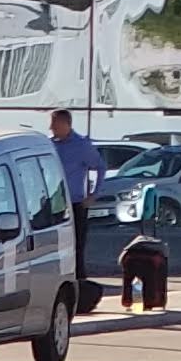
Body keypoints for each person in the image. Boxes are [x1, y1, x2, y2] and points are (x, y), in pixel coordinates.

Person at [48, 111, 107, 301]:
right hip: (51, 205)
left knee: (76, 247)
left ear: (66, 124)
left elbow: (100, 167)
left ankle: (79, 290)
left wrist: (93, 195)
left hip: (74, 205)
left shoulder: (81, 145)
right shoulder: (50, 145)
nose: (51, 128)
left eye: (54, 124)